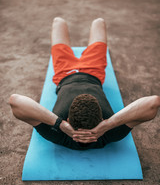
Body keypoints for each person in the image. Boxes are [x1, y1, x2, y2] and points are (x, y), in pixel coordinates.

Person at [9, 17, 160, 150]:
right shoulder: (109, 133)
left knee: (58, 21)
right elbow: (152, 103)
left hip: (65, 73)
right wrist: (109, 124)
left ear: (68, 120)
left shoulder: (58, 134)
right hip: (93, 72)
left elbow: (16, 101)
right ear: (102, 119)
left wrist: (60, 125)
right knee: (98, 22)